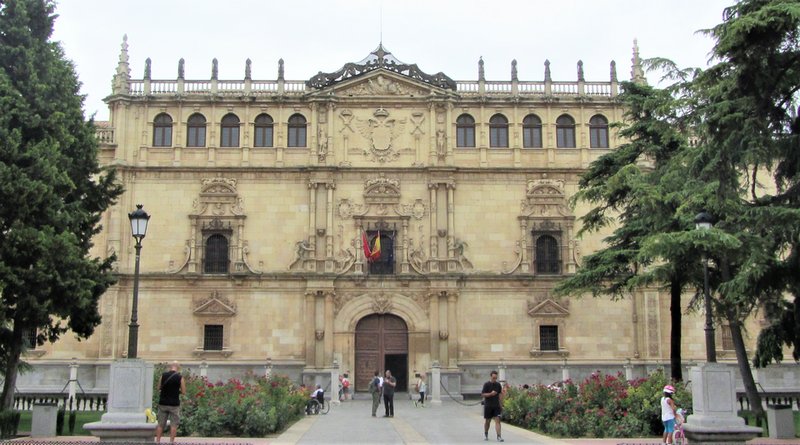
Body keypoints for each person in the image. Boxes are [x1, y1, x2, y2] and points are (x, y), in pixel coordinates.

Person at [156, 361, 186, 444]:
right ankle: (171, 442)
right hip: (174, 404)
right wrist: (177, 391)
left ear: (170, 367)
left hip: (163, 403)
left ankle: (158, 441)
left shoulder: (163, 376)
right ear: (178, 367)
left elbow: (158, 387)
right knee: (174, 424)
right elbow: (183, 391)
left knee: (160, 424)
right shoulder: (180, 377)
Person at [481, 370, 504, 442]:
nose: (495, 379)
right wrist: (490, 394)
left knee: (498, 421)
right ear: (491, 376)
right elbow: (483, 394)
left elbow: (500, 394)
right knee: (488, 421)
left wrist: (501, 404)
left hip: (496, 406)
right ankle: (486, 434)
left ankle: (499, 436)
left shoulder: (498, 385)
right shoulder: (486, 384)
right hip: (488, 406)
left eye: (496, 378)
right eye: (493, 378)